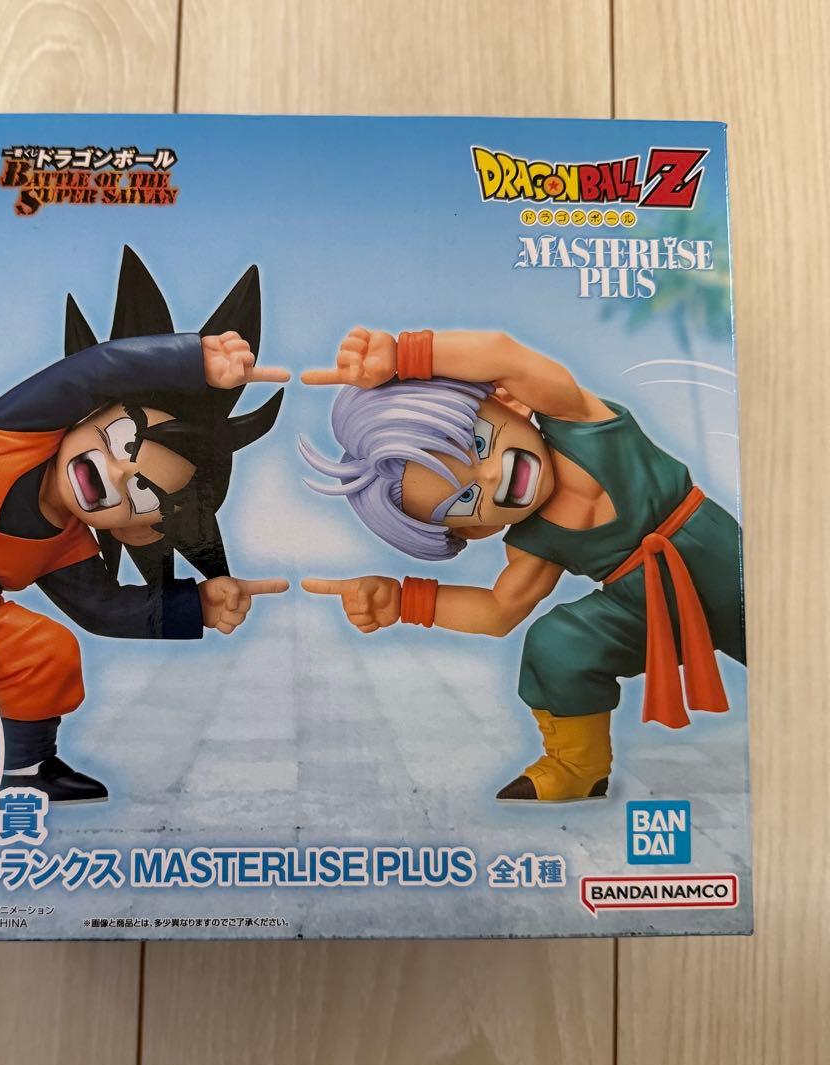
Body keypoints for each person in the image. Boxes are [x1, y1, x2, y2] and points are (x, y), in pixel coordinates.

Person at [0, 247, 289, 802]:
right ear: (92, 413)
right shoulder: (8, 437)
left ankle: (22, 767)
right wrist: (191, 360)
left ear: (137, 530)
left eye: (142, 493)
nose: (118, 473)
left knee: (46, 651)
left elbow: (104, 609)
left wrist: (196, 604)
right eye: (123, 440)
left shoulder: (67, 546)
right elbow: (88, 372)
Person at [300, 326, 744, 802]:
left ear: (508, 403)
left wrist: (403, 354)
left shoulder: (579, 420)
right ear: (475, 530)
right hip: (647, 608)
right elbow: (498, 611)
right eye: (466, 498)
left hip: (724, 558)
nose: (492, 476)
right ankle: (578, 767)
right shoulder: (536, 543)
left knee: (786, 643)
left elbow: (503, 355)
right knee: (558, 644)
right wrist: (405, 601)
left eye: (479, 444)